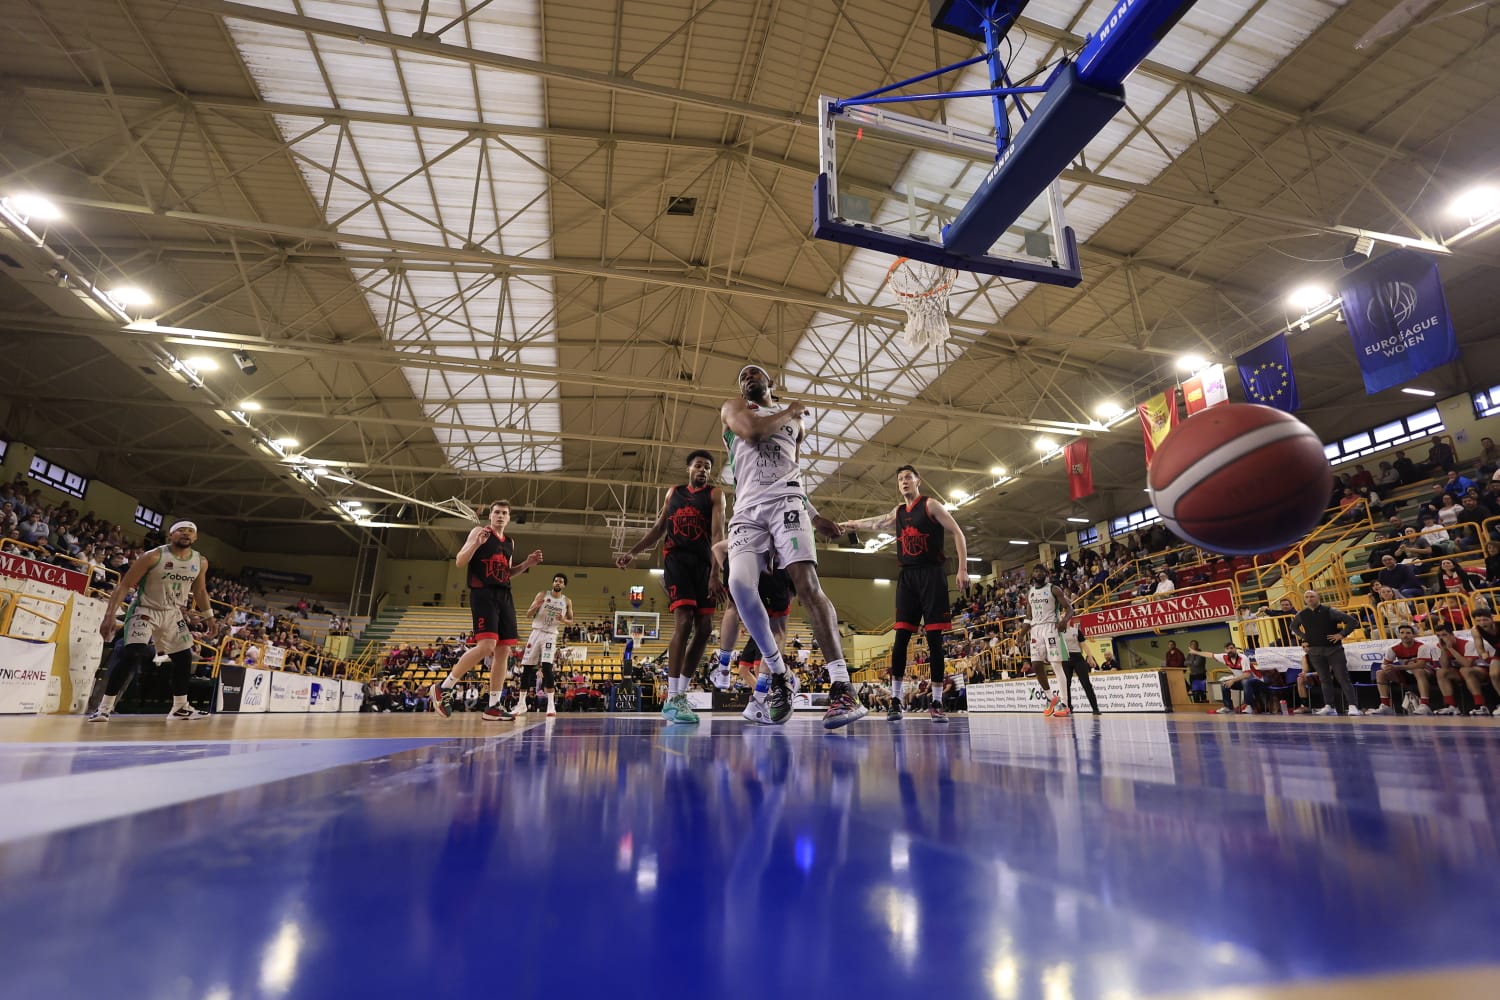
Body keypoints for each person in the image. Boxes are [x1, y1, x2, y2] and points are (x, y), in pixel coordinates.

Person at [720, 364, 859, 729]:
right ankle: (779, 673)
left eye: (755, 374)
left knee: (808, 586)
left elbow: (790, 472)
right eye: (743, 376)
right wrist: (790, 410)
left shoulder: (794, 424)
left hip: (788, 506)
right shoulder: (736, 408)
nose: (748, 378)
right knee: (738, 585)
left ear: (771, 382)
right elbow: (752, 433)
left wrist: (814, 515)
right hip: (747, 512)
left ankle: (842, 686)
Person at [838, 465, 970, 723]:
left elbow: (958, 532)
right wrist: (847, 525)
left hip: (932, 574)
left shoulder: (931, 505)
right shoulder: (898, 512)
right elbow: (874, 522)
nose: (904, 481)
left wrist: (963, 568)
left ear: (918, 480)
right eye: (900, 479)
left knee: (934, 640)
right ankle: (896, 701)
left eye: (908, 477)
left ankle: (936, 702)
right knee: (900, 640)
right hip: (908, 577)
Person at [617, 450, 726, 725]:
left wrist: (716, 572)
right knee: (685, 621)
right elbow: (658, 529)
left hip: (704, 564)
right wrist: (632, 552)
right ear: (689, 468)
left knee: (705, 629)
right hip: (677, 561)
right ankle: (673, 696)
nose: (703, 470)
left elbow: (718, 534)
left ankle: (680, 696)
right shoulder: (673, 493)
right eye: (698, 465)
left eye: (707, 467)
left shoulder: (715, 495)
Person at [89, 520, 214, 722]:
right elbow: (124, 585)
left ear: (196, 537)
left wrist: (210, 617)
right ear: (170, 535)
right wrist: (109, 615)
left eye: (190, 531)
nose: (186, 534)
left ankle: (180, 707)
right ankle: (104, 708)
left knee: (184, 657)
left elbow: (200, 591)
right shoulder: (153, 556)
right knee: (132, 653)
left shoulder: (200, 561)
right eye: (181, 530)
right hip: (145, 610)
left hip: (173, 612)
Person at [430, 501, 543, 722]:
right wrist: (476, 544)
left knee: (504, 651)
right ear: (490, 516)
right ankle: (444, 687)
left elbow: (507, 572)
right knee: (487, 646)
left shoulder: (509, 542)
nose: (500, 516)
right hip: (483, 593)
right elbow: (460, 561)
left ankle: (493, 706)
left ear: (508, 518)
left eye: (504, 513)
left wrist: (526, 564)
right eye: (497, 512)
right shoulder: (478, 532)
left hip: (505, 595)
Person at [1292, 589, 1363, 717]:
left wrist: (1342, 634)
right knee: (1324, 679)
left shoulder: (1330, 611)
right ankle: (1329, 706)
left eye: (1312, 596)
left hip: (1333, 650)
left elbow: (1353, 621)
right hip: (1315, 651)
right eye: (1307, 597)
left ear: (1318, 597)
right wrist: (1305, 637)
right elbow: (1293, 626)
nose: (1309, 599)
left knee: (1342, 677)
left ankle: (1353, 706)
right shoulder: (1302, 614)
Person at [512, 573, 574, 718]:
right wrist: (536, 606)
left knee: (547, 667)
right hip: (536, 632)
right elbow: (528, 614)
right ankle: (521, 704)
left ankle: (551, 705)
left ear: (564, 585)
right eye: (556, 580)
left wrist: (563, 620)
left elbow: (571, 621)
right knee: (527, 667)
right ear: (553, 583)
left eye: (561, 581)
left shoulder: (567, 601)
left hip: (550, 635)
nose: (558, 583)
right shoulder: (542, 595)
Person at [1021, 563, 1074, 717]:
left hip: (1051, 627)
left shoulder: (1054, 589)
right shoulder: (1030, 593)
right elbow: (1029, 616)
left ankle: (1065, 704)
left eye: (1041, 571)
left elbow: (1070, 608)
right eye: (1035, 571)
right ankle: (1051, 698)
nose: (1038, 573)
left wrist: (1064, 621)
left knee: (1056, 665)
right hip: (1036, 630)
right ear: (1032, 575)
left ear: (1046, 574)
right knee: (1036, 665)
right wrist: (1021, 634)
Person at [1370, 624, 1436, 715]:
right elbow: (1384, 664)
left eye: (1408, 633)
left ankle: (1424, 704)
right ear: (1399, 635)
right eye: (1402, 633)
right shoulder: (1393, 649)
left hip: (1426, 673)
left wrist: (1398, 667)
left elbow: (1421, 665)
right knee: (1380, 673)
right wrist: (1386, 668)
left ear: (1413, 635)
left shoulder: (1422, 646)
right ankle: (1385, 705)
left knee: (1418, 671)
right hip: (1406, 674)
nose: (1405, 635)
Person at [1430, 623, 1486, 716]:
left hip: (1480, 670)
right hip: (1460, 672)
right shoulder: (1439, 646)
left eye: (1444, 635)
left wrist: (1451, 649)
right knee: (1441, 672)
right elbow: (1444, 666)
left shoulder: (1467, 644)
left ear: (1452, 635)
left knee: (1465, 670)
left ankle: (1480, 705)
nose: (1441, 638)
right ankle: (1451, 706)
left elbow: (1467, 664)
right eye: (1438, 636)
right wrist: (1444, 650)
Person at [1210, 642, 1265, 715]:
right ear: (1225, 650)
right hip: (1244, 683)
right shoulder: (1224, 657)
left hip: (1257, 681)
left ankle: (1248, 706)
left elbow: (1247, 675)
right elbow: (1209, 655)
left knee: (1245, 681)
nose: (1230, 650)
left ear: (1235, 649)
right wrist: (1196, 652)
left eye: (1231, 648)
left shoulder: (1243, 658)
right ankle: (1228, 707)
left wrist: (1232, 680)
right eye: (1227, 649)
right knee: (1224, 683)